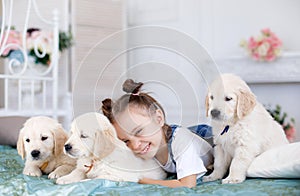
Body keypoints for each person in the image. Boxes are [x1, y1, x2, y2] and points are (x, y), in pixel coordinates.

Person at [101, 79, 213, 188]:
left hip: (210, 140)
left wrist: (142, 180)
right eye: (126, 141)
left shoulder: (182, 142)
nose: (135, 146)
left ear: (159, 119)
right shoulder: (148, 147)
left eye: (139, 131)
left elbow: (187, 184)